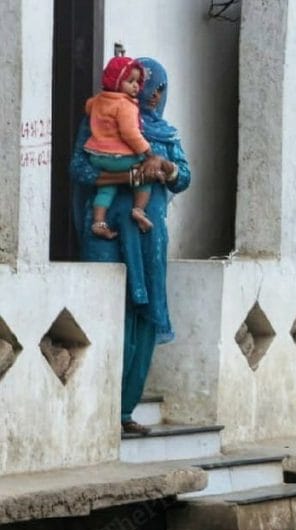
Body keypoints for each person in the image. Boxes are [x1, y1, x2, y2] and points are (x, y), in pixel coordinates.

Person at [71, 57, 190, 436]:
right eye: (147, 85)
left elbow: (184, 177)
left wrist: (167, 170)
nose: (153, 94)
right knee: (106, 313)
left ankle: (124, 410)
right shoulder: (105, 118)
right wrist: (129, 174)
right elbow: (80, 169)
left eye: (158, 88)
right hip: (106, 231)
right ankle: (95, 410)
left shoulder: (167, 135)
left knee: (143, 317)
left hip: (148, 235)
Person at [83, 56, 157, 239]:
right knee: (146, 174)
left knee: (107, 188)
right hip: (118, 157)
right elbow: (130, 133)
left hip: (96, 156)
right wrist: (148, 154)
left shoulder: (97, 100)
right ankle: (139, 210)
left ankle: (98, 221)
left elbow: (88, 108)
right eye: (130, 81)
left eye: (137, 82)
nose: (135, 87)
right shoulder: (126, 105)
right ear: (116, 81)